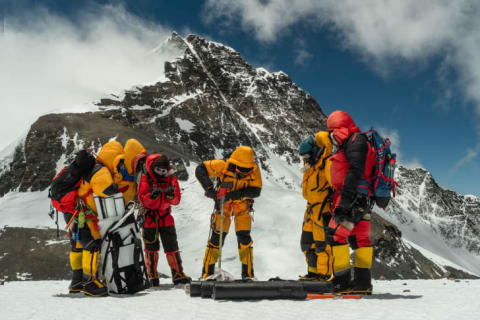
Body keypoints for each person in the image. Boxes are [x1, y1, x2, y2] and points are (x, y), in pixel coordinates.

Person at [195, 146, 262, 280]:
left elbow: (256, 191)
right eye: (242, 169)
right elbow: (200, 169)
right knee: (216, 238)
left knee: (244, 239)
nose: (245, 172)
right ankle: (207, 273)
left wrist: (235, 195)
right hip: (223, 206)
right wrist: (209, 189)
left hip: (242, 206)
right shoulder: (222, 165)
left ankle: (248, 274)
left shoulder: (254, 169)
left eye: (247, 169)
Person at [327, 110, 373, 295]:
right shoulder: (358, 141)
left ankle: (342, 282)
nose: (331, 137)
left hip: (352, 199)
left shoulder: (355, 142)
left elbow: (355, 172)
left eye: (332, 132)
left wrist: (344, 202)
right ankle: (363, 284)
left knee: (335, 235)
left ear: (338, 129)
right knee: (360, 239)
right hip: (362, 198)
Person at [137, 154, 191, 286]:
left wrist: (170, 196)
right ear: (152, 168)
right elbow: (143, 198)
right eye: (158, 170)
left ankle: (178, 274)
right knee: (151, 247)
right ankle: (152, 276)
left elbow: (176, 200)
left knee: (172, 246)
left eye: (164, 171)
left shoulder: (171, 178)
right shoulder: (145, 178)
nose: (162, 173)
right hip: (150, 217)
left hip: (165, 217)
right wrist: (152, 196)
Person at [73, 147, 120, 296]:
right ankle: (90, 283)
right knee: (92, 246)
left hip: (76, 213)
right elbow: (107, 190)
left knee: (79, 246)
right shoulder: (101, 171)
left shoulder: (87, 169)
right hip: (88, 216)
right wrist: (118, 177)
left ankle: (76, 282)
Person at [298, 132, 334, 281]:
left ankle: (324, 275)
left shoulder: (328, 163)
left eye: (306, 156)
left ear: (315, 151)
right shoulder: (310, 166)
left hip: (323, 210)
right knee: (307, 243)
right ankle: (312, 273)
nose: (304, 160)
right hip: (311, 209)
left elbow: (336, 186)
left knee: (322, 244)